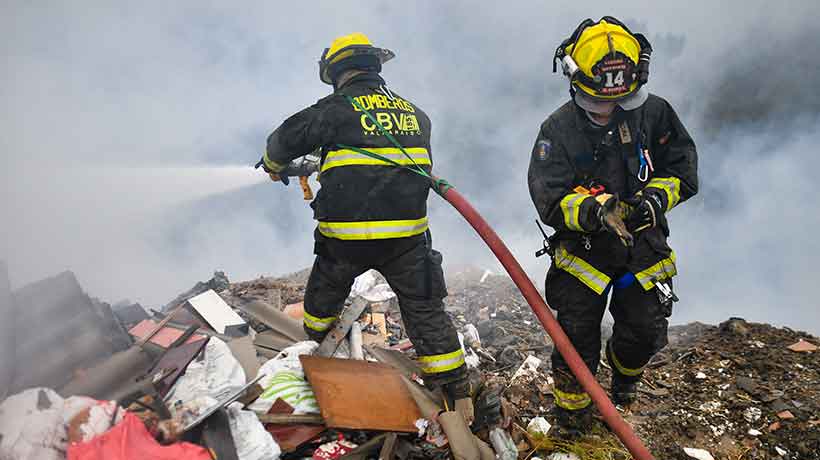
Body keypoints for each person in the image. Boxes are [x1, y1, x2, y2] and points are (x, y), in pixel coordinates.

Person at [259, 33, 473, 422]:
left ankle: (314, 354)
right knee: (426, 312)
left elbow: (281, 143)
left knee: (323, 303)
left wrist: (274, 166)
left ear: (336, 71)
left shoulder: (333, 109)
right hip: (407, 242)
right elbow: (376, 157)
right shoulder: (416, 115)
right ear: (375, 67)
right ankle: (458, 396)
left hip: (345, 243)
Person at [527, 17, 698, 435]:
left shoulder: (655, 113)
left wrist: (654, 200)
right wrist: (593, 211)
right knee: (575, 341)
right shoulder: (558, 129)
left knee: (645, 329)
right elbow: (548, 196)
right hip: (584, 254)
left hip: (642, 247)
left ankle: (623, 385)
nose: (608, 109)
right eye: (597, 102)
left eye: (619, 100)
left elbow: (683, 170)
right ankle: (574, 419)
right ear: (574, 79)